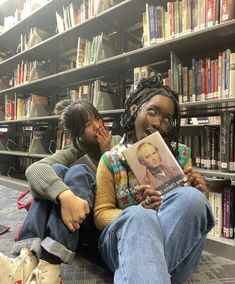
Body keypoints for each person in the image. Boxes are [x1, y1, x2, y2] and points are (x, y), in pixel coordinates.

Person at [94, 75, 215, 284]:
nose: (159, 123)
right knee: (140, 217)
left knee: (192, 199)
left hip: (171, 242)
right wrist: (141, 210)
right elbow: (101, 214)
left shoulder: (181, 155)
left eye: (167, 119)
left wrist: (199, 190)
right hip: (123, 242)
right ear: (134, 109)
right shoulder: (111, 160)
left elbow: (186, 216)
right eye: (152, 111)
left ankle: (142, 272)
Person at [0, 99, 121, 284]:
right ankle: (27, 259)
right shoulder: (74, 151)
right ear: (77, 133)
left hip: (97, 222)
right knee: (56, 170)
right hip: (73, 224)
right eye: (88, 124)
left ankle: (51, 262)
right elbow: (34, 170)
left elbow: (124, 188)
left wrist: (108, 154)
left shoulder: (117, 142)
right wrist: (65, 196)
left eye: (97, 118)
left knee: (78, 171)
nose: (97, 126)